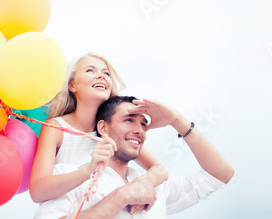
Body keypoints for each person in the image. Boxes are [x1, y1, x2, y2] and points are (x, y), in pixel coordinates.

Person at [34, 96, 234, 218]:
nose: (139, 130)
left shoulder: (152, 187)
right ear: (103, 128)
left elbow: (220, 175)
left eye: (143, 124)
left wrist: (177, 120)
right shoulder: (69, 176)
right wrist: (122, 196)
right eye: (129, 120)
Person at [30, 54, 168, 214]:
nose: (101, 76)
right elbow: (38, 191)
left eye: (106, 73)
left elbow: (160, 169)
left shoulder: (113, 131)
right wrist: (88, 171)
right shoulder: (55, 128)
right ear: (72, 85)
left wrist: (138, 185)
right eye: (90, 70)